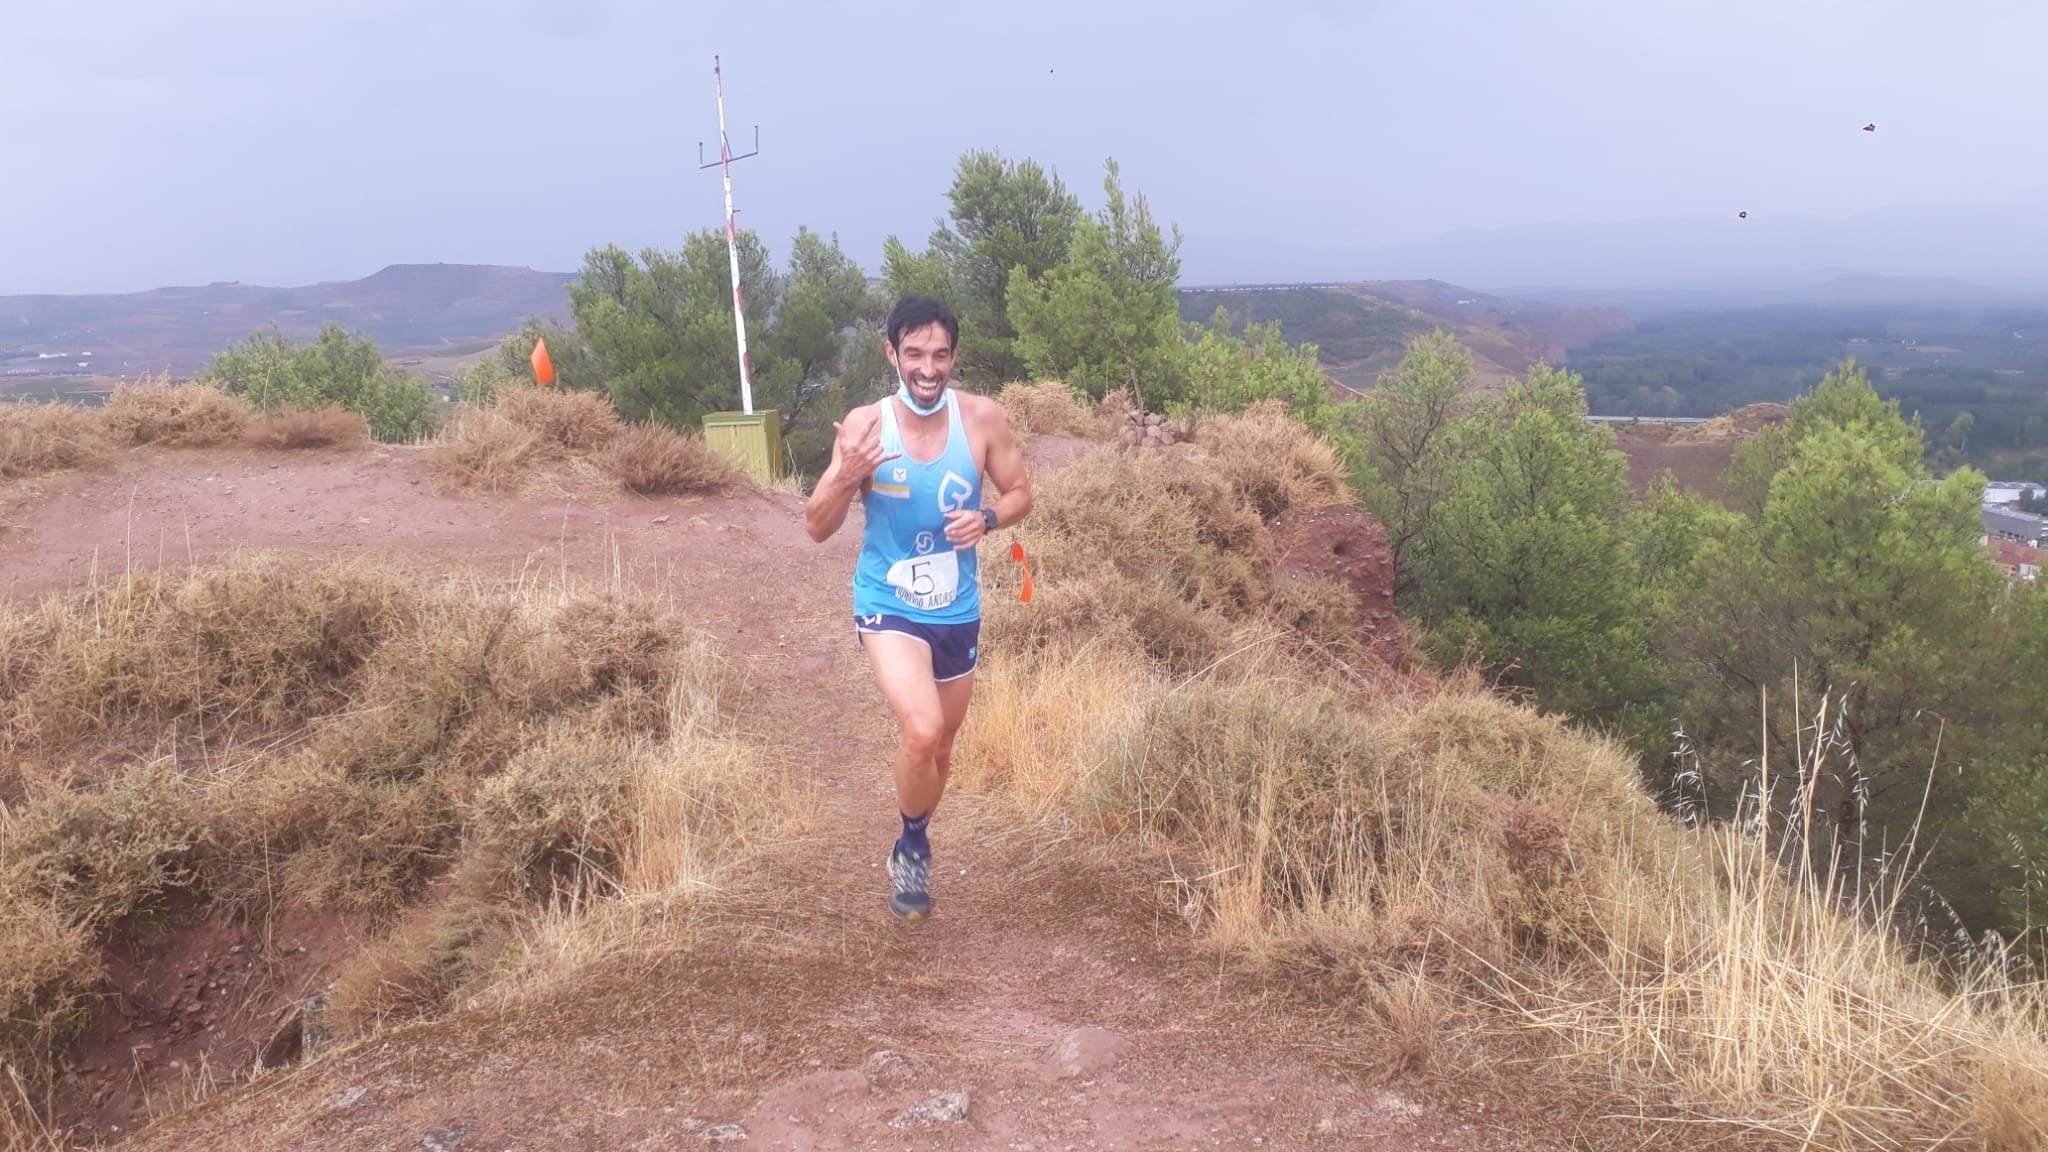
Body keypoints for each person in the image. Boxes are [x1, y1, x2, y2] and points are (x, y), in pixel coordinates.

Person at [804, 295, 1033, 921]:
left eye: (938, 354)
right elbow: (817, 527)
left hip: (956, 607)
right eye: (913, 354)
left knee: (941, 751)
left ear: (954, 356)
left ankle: (915, 830)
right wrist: (846, 475)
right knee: (922, 728)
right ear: (892, 355)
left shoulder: (983, 420)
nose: (926, 369)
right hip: (887, 601)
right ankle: (911, 846)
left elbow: (1020, 494)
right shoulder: (865, 427)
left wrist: (986, 519)